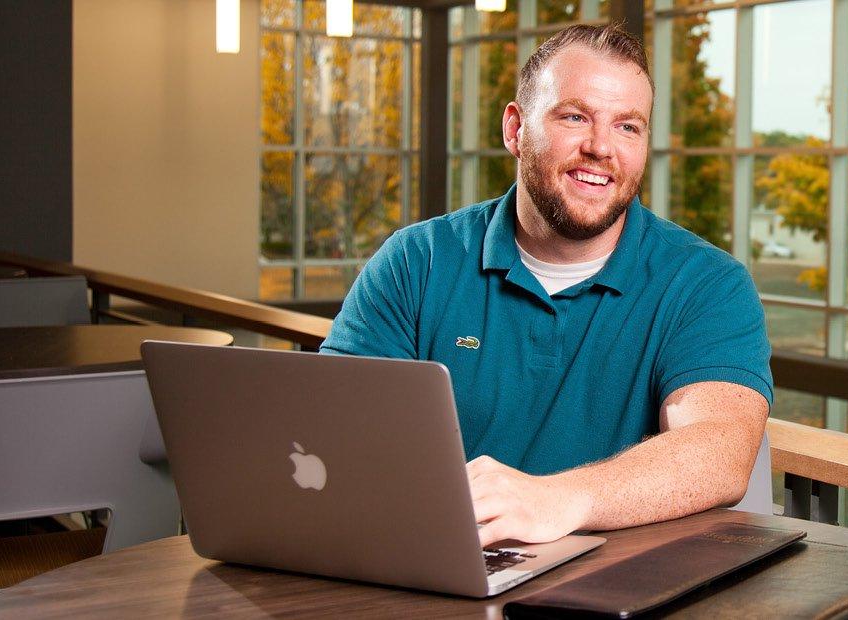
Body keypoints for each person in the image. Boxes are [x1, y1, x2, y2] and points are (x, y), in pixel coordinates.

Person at [320, 24, 772, 547]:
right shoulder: (416, 261)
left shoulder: (706, 284)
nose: (601, 147)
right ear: (515, 129)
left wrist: (558, 500)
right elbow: (335, 431)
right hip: (431, 556)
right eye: (574, 116)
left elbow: (718, 451)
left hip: (612, 580)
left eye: (628, 126)